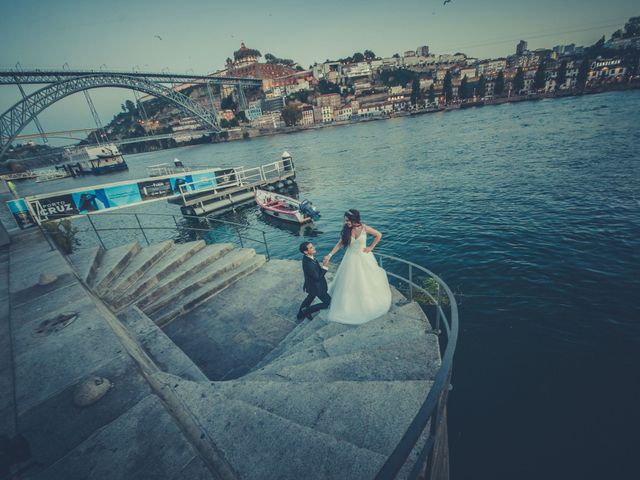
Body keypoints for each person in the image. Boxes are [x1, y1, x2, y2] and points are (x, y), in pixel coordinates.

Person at [322, 209, 391, 325]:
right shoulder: (346, 231)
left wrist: (371, 247)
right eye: (345, 220)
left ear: (355, 220)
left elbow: (378, 235)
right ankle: (348, 303)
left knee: (366, 280)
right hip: (350, 259)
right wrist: (329, 255)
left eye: (348, 220)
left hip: (364, 257)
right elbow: (340, 244)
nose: (346, 222)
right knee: (349, 281)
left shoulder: (364, 228)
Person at [297, 241, 331, 321]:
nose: (314, 248)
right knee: (327, 303)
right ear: (306, 252)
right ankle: (307, 311)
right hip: (317, 287)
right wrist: (325, 267)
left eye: (312, 246)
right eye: (311, 247)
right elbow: (317, 277)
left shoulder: (308, 258)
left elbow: (311, 274)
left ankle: (300, 315)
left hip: (311, 285)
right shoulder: (309, 264)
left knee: (309, 298)